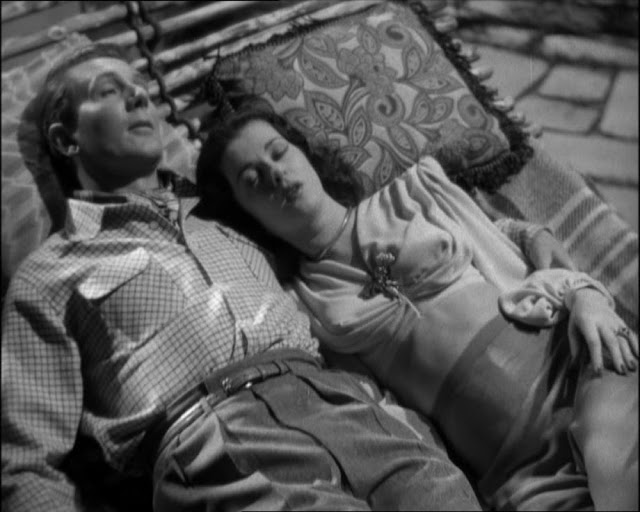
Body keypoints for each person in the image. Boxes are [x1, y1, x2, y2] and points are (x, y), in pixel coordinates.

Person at [1, 43, 485, 512]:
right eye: (109, 91)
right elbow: (24, 464)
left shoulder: (237, 207)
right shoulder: (50, 274)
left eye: (140, 84)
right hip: (212, 439)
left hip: (346, 404)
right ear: (67, 140)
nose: (139, 96)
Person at [196, 107, 639, 511]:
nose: (275, 173)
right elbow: (376, 411)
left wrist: (585, 293)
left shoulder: (413, 193)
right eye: (252, 180)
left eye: (278, 152)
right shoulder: (300, 306)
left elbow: (503, 239)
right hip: (520, 470)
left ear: (303, 152)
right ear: (245, 215)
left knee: (617, 465)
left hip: (578, 370)